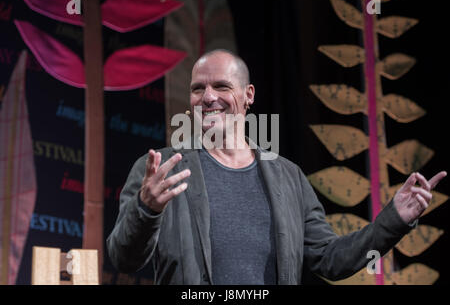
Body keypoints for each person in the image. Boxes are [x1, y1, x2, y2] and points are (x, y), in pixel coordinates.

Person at [107, 49, 447, 285]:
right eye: (198, 89)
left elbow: (330, 259)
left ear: (248, 94)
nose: (208, 97)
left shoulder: (288, 177)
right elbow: (123, 259)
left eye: (221, 86)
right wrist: (146, 210)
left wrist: (394, 220)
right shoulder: (160, 169)